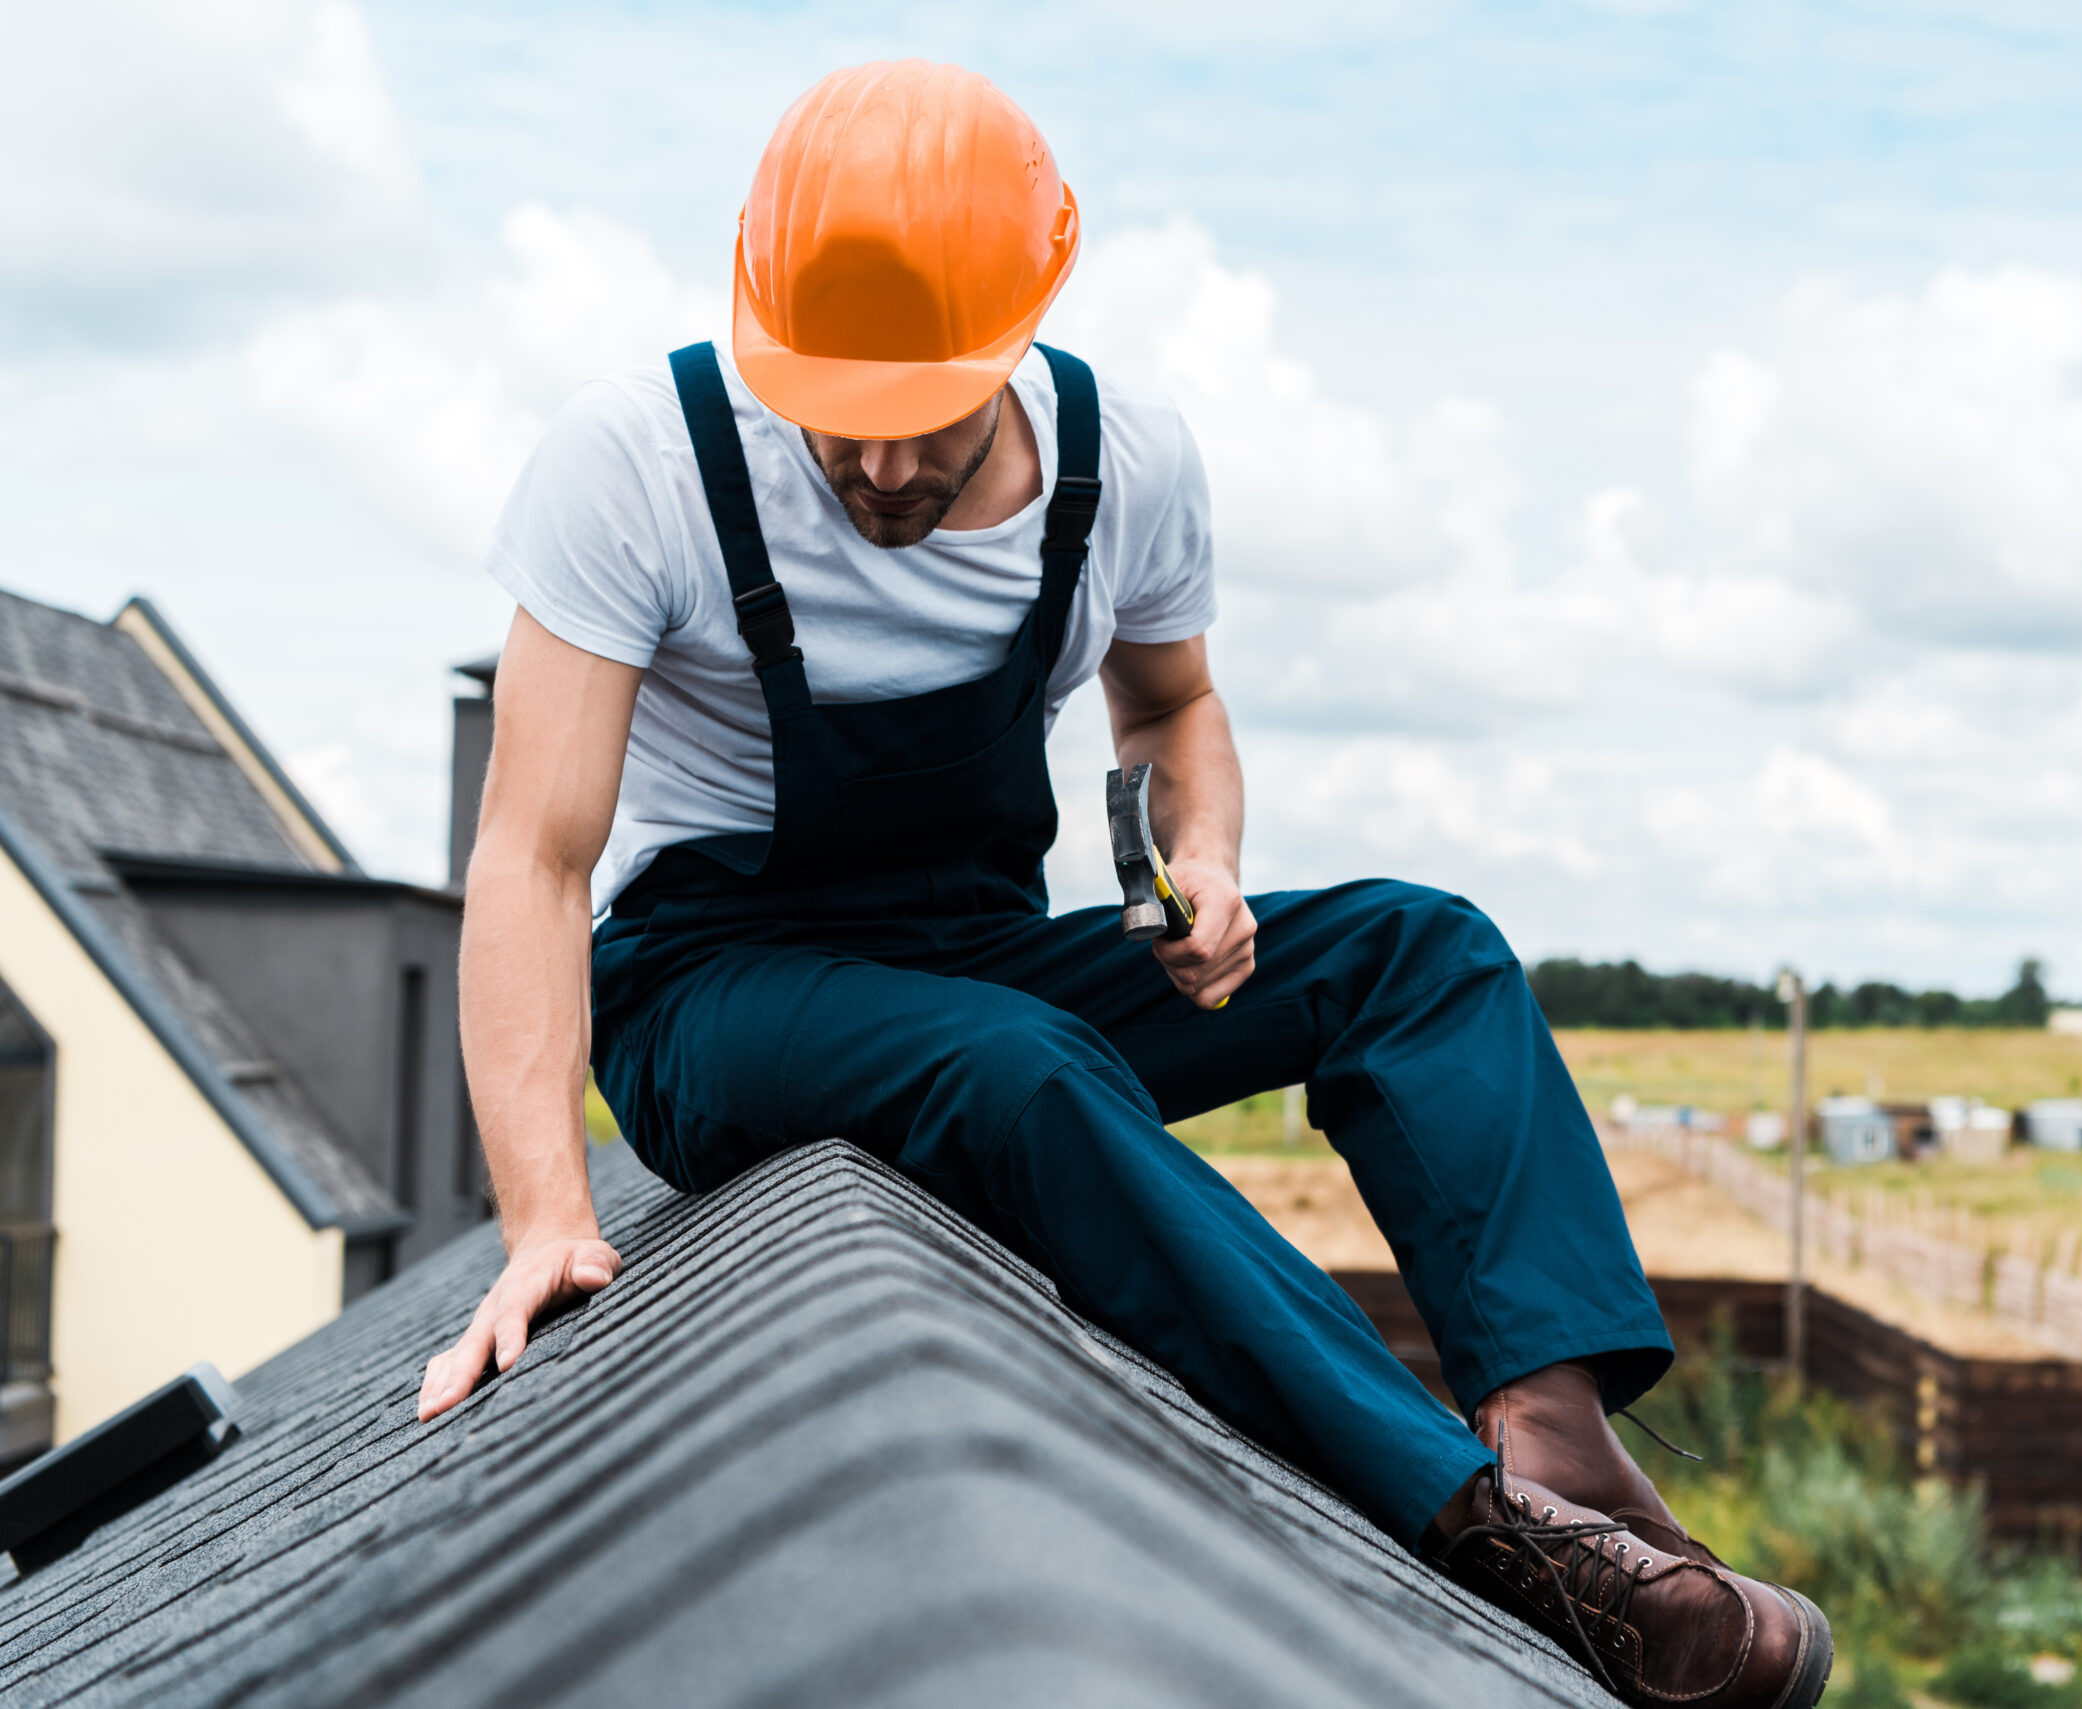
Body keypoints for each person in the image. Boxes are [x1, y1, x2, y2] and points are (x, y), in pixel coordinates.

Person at [415, 60, 1829, 1707]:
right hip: (714, 989)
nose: (877, 468)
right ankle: (1485, 1532)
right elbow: (533, 852)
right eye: (839, 419)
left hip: (979, 956)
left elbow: (1170, 707)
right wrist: (544, 1216)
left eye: (924, 417)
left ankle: (1554, 1437)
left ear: (1024, 327)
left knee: (1421, 953)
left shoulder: (1124, 465)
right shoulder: (634, 463)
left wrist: (1205, 860)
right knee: (1013, 1068)